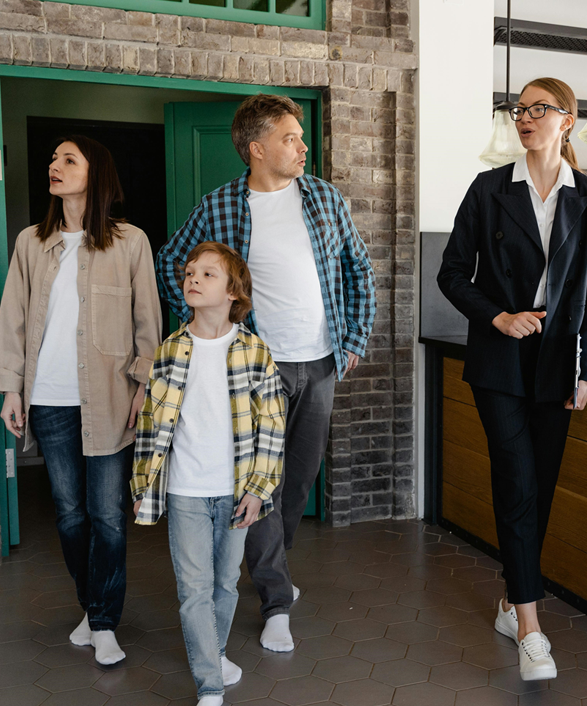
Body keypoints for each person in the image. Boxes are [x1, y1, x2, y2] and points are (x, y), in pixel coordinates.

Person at [156, 93, 375, 651]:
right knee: (259, 483)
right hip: (255, 370)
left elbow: (357, 268)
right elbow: (170, 264)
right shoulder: (220, 205)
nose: (303, 146)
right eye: (290, 138)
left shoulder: (324, 198)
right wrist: (206, 329)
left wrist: (352, 339)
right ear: (256, 148)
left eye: (301, 137)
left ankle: (271, 566)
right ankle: (276, 598)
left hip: (320, 361)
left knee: (297, 479)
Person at [437, 77, 587, 681]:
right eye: (520, 109)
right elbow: (453, 273)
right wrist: (499, 316)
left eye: (539, 109)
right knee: (516, 482)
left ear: (568, 120)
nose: (525, 118)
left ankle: (512, 600)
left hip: (559, 363)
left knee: (542, 486)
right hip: (499, 361)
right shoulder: (489, 191)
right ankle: (532, 633)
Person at [0, 135, 163, 666]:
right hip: (49, 399)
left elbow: (148, 325)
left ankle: (104, 621)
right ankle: (92, 604)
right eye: (53, 159)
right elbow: (12, 320)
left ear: (96, 173)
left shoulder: (130, 242)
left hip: (109, 398)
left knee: (107, 515)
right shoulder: (30, 244)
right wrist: (10, 388)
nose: (54, 166)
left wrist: (143, 387)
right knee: (68, 516)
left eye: (69, 160)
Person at [131, 242, 286, 706]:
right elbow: (151, 426)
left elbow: (273, 430)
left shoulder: (256, 353)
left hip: (236, 490)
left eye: (208, 274)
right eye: (190, 273)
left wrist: (258, 490)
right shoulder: (171, 350)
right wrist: (143, 486)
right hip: (185, 490)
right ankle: (209, 686)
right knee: (194, 589)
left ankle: (214, 654)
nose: (193, 279)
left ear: (234, 293)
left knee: (223, 583)